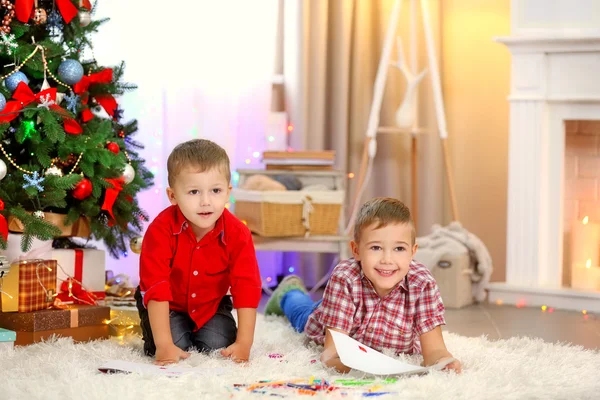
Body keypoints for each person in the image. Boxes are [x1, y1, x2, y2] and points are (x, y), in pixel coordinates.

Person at [265, 197, 462, 373]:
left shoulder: (422, 284)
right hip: (329, 320)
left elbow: (434, 350)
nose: (387, 259)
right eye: (376, 247)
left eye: (399, 248)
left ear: (413, 251)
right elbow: (331, 353)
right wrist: (364, 369)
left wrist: (443, 363)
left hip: (389, 341)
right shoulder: (345, 278)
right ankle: (289, 291)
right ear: (356, 250)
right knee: (300, 313)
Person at [135, 139, 262, 366]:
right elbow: (156, 286)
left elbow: (247, 286)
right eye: (194, 192)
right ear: (173, 196)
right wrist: (164, 345)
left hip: (210, 304)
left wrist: (244, 343)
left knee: (218, 344)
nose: (206, 202)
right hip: (167, 305)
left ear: (227, 193)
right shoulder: (160, 230)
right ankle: (161, 334)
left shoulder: (238, 233)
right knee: (173, 345)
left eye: (215, 190)